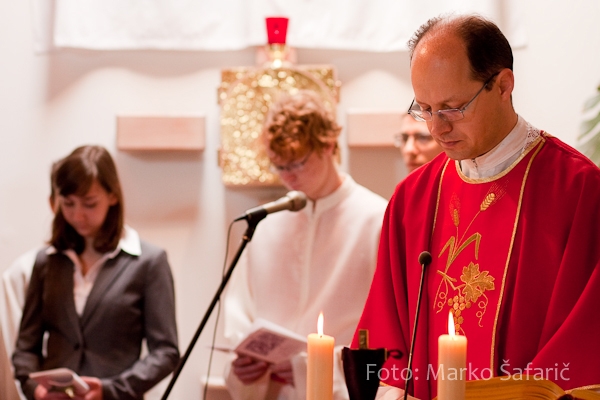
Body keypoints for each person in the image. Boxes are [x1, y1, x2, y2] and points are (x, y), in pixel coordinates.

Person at [352, 14, 600, 400]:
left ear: (503, 85)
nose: (437, 128)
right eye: (424, 108)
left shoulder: (578, 190)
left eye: (452, 108)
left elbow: (582, 340)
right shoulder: (412, 199)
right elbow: (387, 342)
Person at [224, 90, 388, 400]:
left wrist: (319, 364)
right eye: (279, 166)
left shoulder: (376, 219)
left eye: (297, 164)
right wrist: (245, 362)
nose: (288, 177)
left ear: (327, 145)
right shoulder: (267, 224)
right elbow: (239, 310)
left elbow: (386, 329)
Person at [12, 145, 180, 400]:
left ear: (113, 196)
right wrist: (36, 390)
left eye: (89, 204)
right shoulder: (48, 261)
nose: (77, 215)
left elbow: (166, 353)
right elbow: (25, 348)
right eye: (68, 204)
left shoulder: (148, 262)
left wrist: (111, 389)